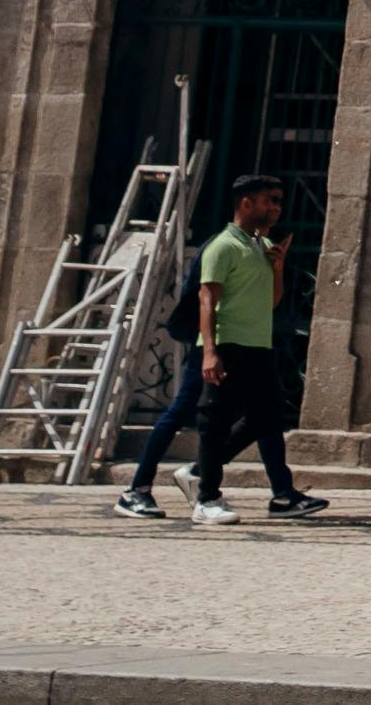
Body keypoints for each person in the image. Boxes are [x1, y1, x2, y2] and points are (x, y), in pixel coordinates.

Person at [113, 182, 321, 523]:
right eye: (270, 200)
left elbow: (268, 302)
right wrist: (210, 351)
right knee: (187, 413)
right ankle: (139, 489)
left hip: (254, 347)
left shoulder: (261, 246)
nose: (277, 207)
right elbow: (205, 300)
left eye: (279, 201)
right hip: (219, 347)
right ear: (246, 203)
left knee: (266, 418)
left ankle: (279, 493)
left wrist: (278, 268)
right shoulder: (222, 246)